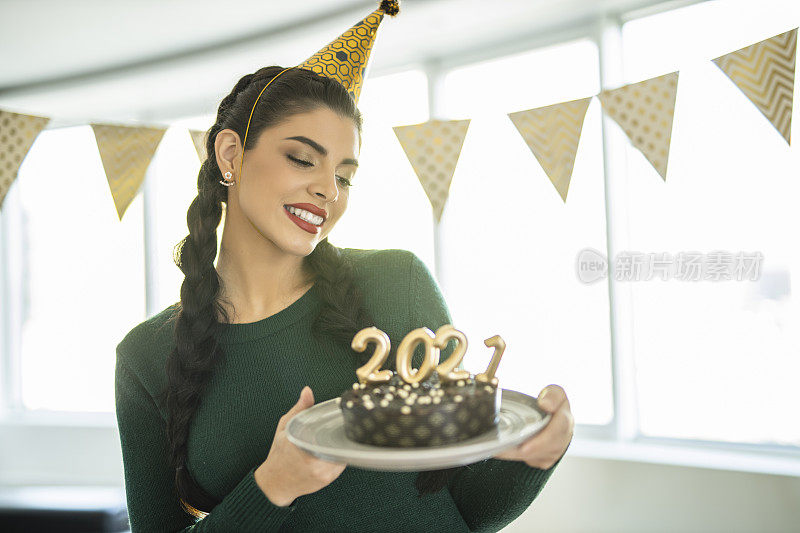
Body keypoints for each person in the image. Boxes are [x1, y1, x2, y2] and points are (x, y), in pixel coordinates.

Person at [114, 3, 573, 532]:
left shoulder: (395, 282)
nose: (328, 191)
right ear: (231, 155)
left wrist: (538, 454)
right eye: (303, 159)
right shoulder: (145, 359)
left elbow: (465, 506)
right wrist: (272, 487)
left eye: (346, 175)